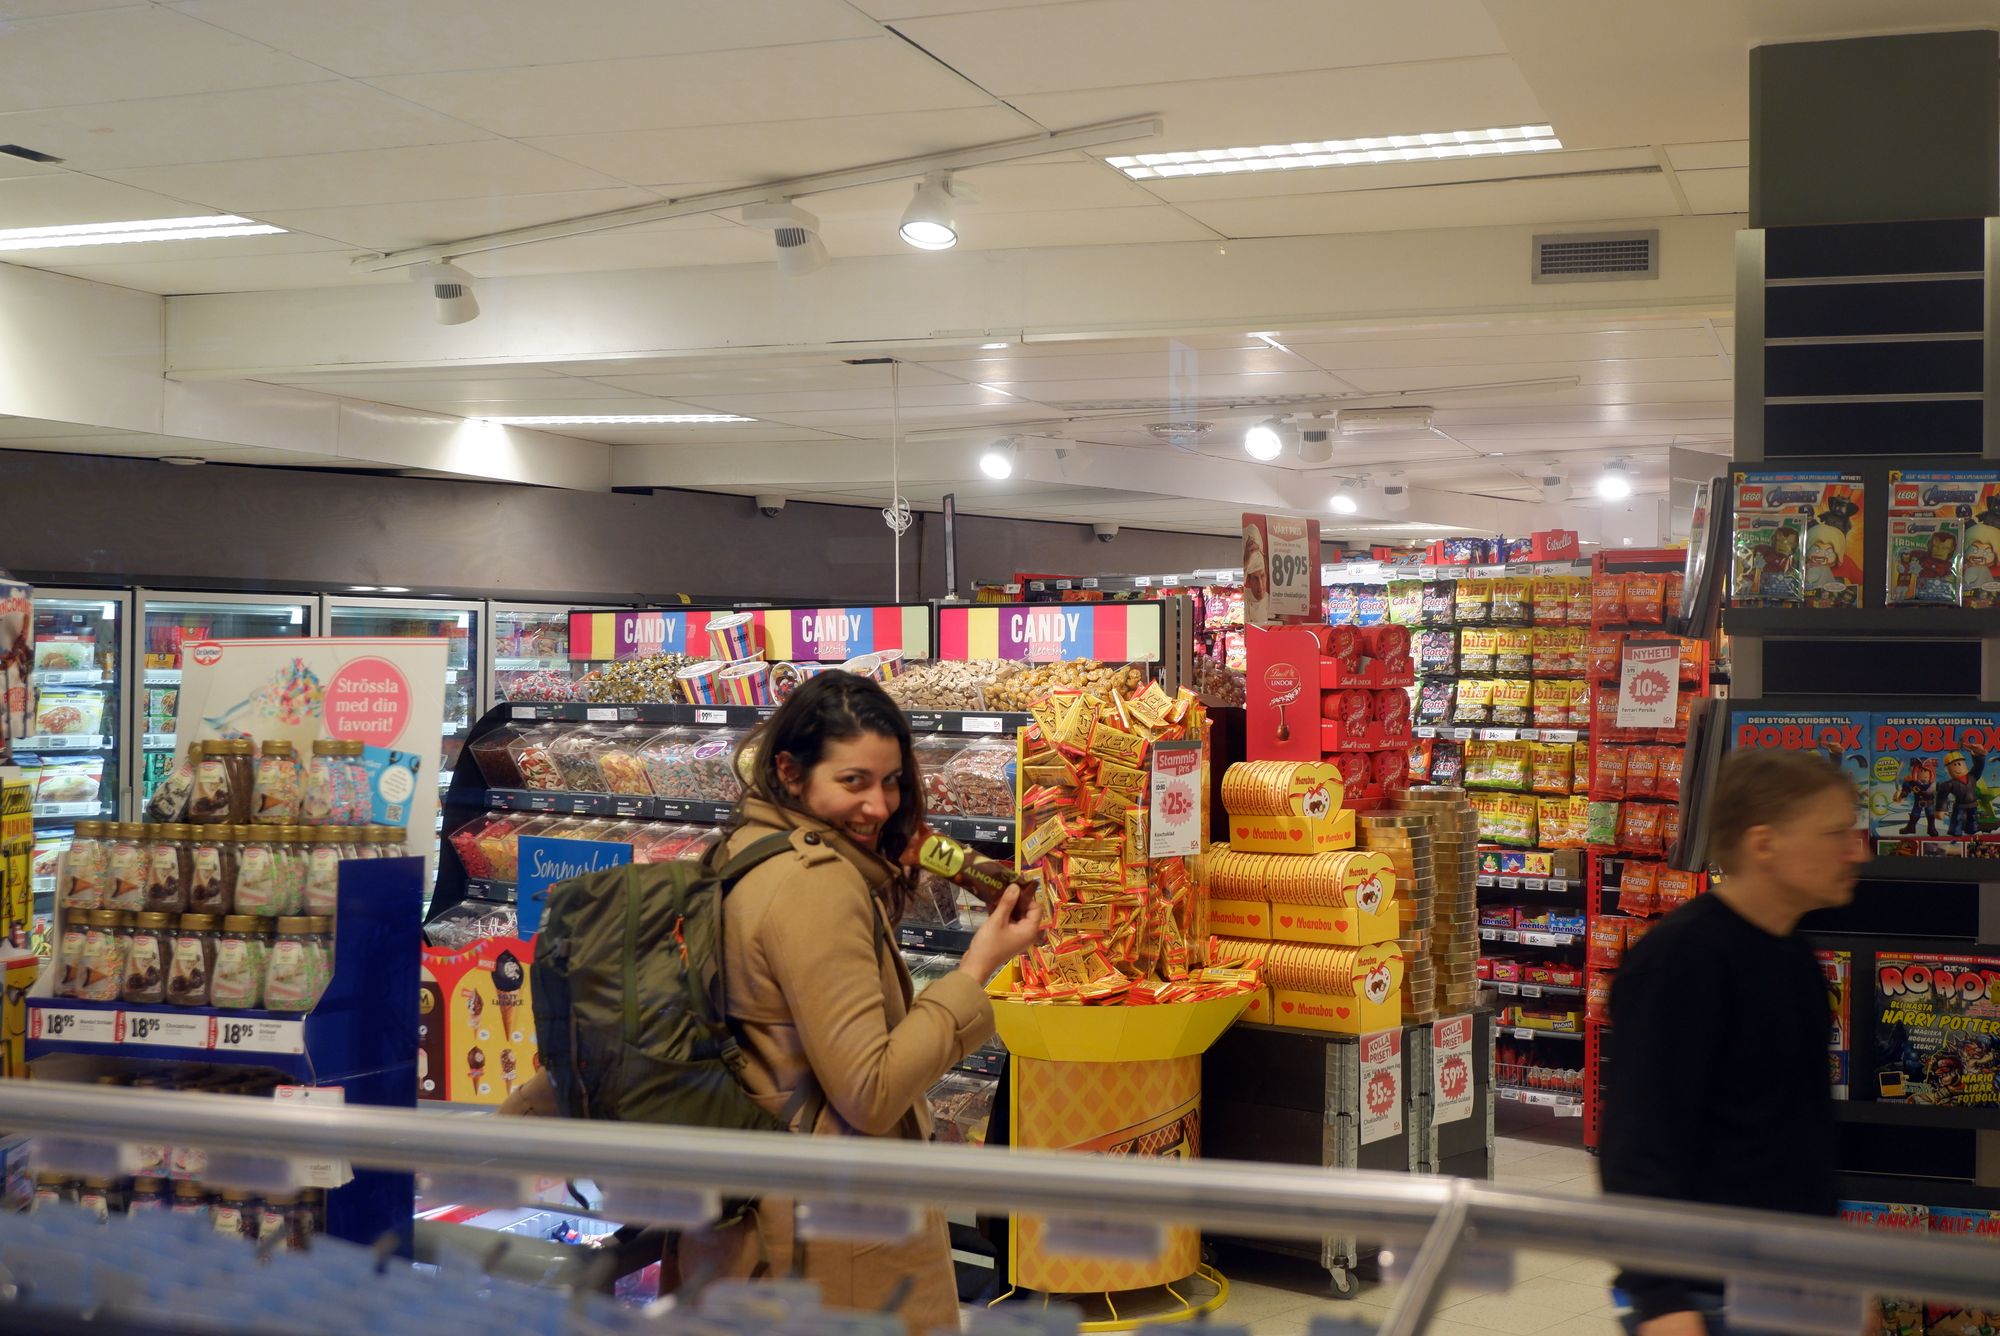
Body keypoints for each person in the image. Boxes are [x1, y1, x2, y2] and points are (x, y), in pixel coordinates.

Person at [502, 671, 1044, 1332]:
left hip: (746, 1221)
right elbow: (871, 1091)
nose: (879, 804)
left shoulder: (745, 847)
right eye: (854, 782)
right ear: (790, 772)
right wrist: (979, 966)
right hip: (829, 1244)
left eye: (892, 780)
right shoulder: (817, 885)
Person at [1600, 749, 1868, 1336]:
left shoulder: (1793, 955)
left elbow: (1796, 1132)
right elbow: (1638, 1142)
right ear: (1763, 844)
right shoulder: (1681, 961)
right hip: (1707, 1295)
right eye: (1835, 834)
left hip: (1789, 1283)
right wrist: (1660, 1298)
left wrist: (1832, 1268)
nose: (1856, 851)